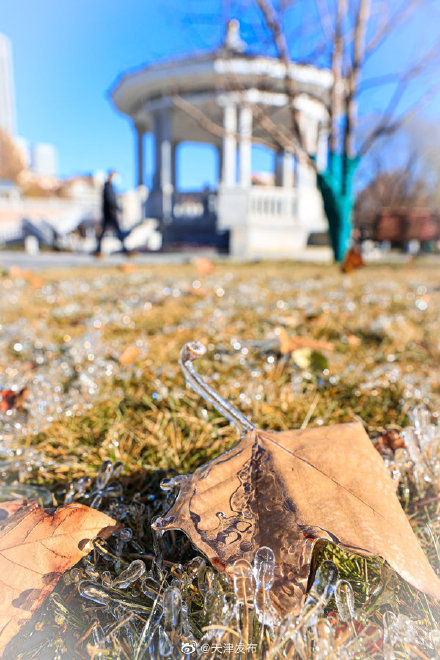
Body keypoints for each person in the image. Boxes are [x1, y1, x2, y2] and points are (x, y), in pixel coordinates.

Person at [95, 171, 128, 254]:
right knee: (118, 231)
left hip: (110, 213)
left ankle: (98, 249)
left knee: (106, 232)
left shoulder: (110, 187)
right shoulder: (108, 187)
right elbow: (111, 201)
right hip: (110, 213)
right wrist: (118, 208)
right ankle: (124, 248)